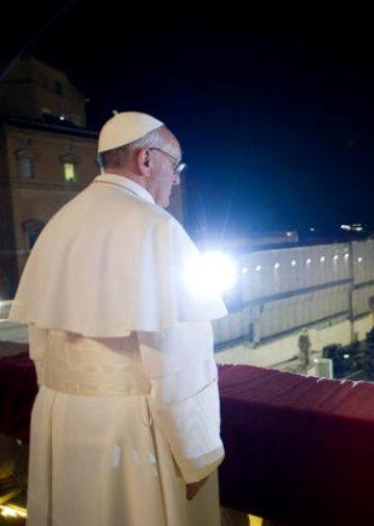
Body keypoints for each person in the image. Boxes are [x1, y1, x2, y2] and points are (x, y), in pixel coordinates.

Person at [9, 111, 228, 525]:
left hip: (61, 421)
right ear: (146, 160)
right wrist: (195, 454)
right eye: (174, 165)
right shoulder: (158, 229)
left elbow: (40, 349)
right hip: (132, 434)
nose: (176, 178)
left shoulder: (59, 222)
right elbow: (181, 364)